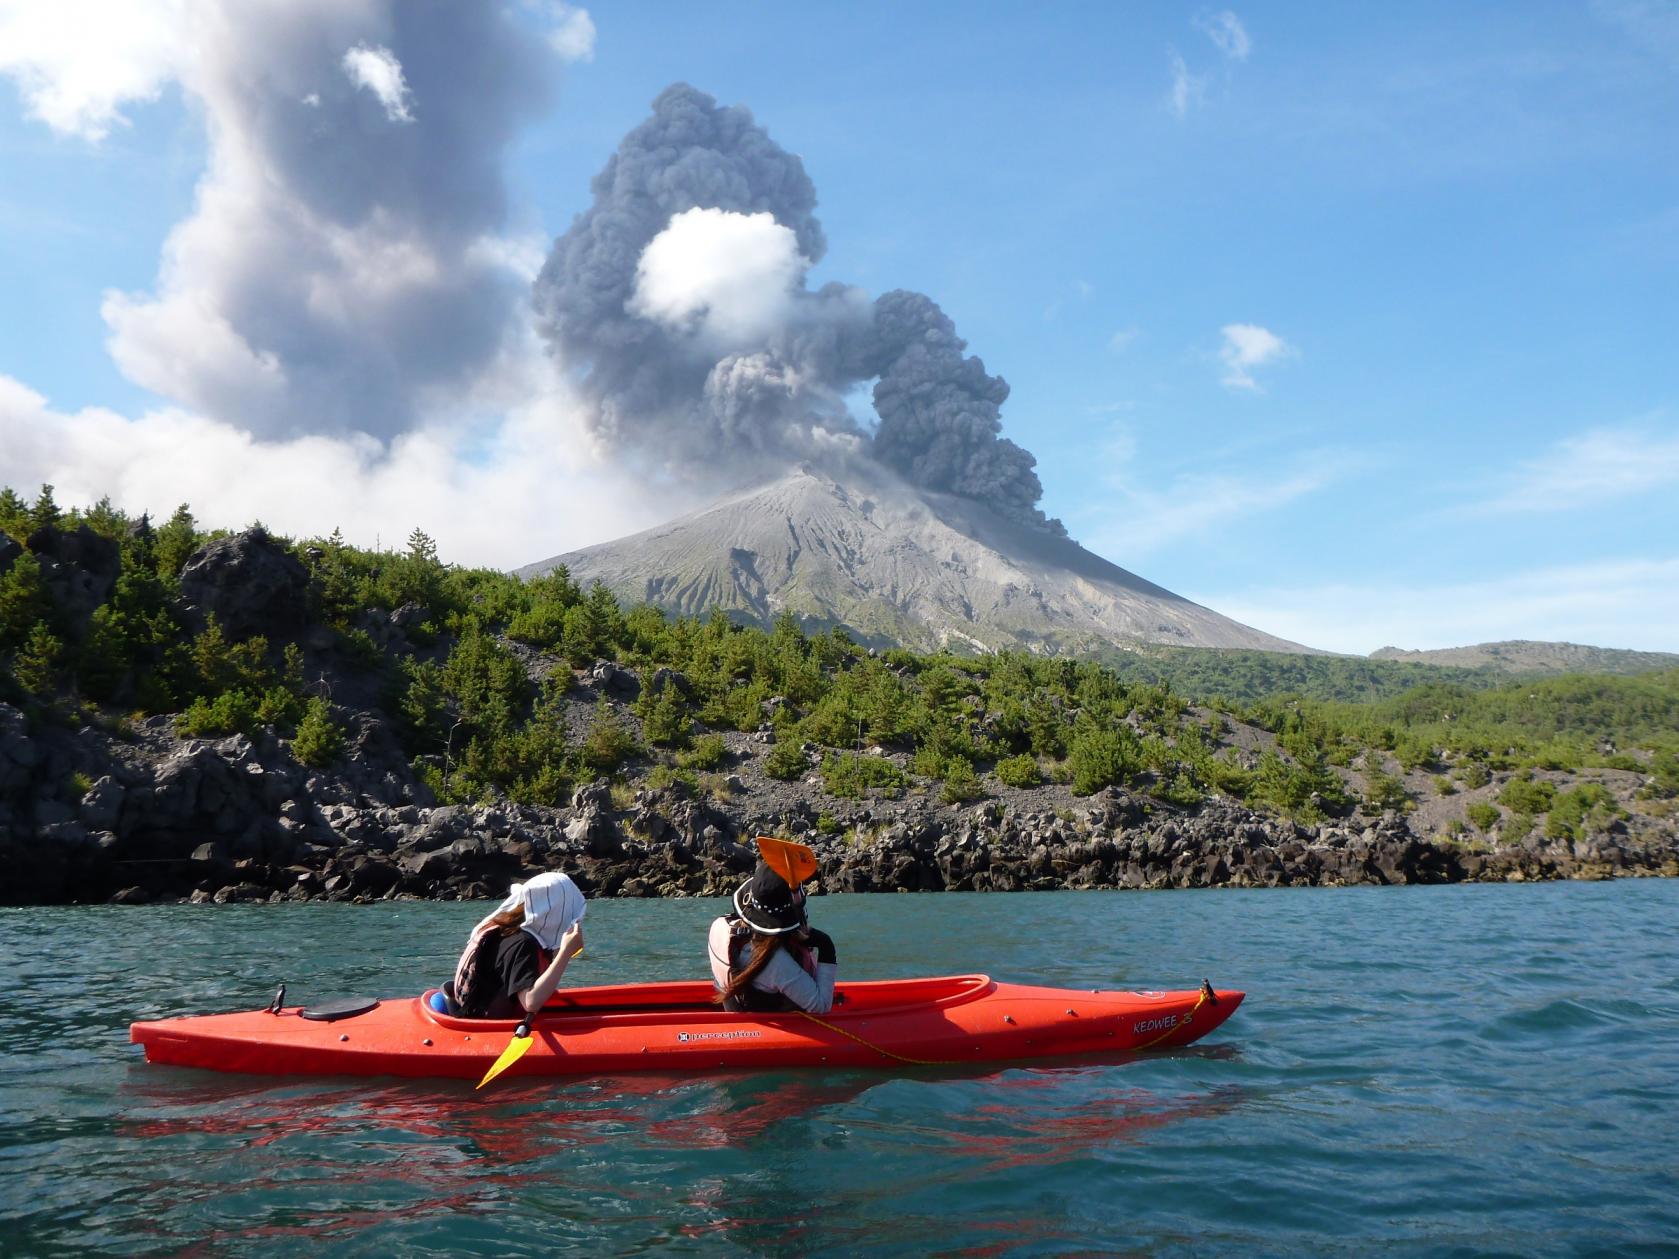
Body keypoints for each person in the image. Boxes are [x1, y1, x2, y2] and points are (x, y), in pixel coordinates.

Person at [709, 838, 838, 1014]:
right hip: (767, 1023)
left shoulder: (719, 926)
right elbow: (821, 1007)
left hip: (735, 1008)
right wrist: (825, 944)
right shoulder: (778, 964)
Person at [439, 871, 586, 1019]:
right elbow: (530, 1002)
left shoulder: (507, 926)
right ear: (556, 913)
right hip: (481, 1021)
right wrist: (566, 952)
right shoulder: (522, 943)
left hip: (472, 1005)